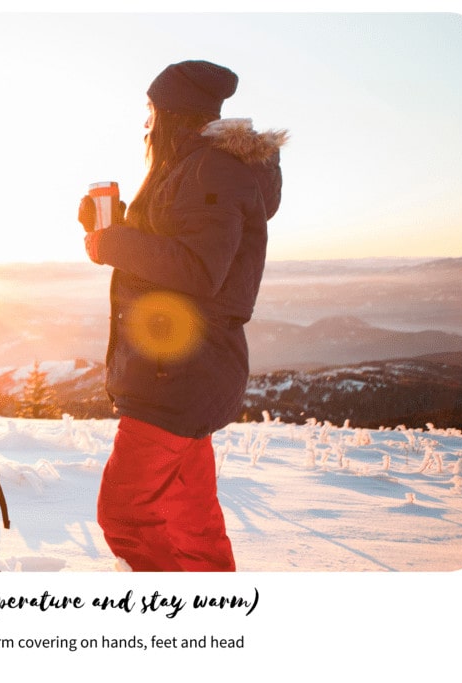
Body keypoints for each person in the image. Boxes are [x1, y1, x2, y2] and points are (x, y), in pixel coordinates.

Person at [80, 60, 286, 571]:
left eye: (150, 111)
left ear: (172, 113)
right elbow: (184, 243)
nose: (145, 123)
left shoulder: (210, 169)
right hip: (189, 372)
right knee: (190, 519)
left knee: (125, 515)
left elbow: (197, 269)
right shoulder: (200, 166)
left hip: (176, 377)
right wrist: (117, 222)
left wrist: (113, 242)